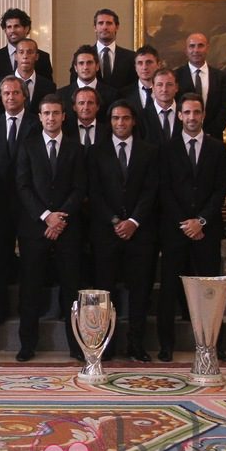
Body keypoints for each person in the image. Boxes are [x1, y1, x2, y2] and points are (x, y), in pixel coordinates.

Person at [156, 93, 226, 362]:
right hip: (175, 231)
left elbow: (220, 189)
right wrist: (185, 222)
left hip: (206, 232)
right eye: (187, 113)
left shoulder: (217, 148)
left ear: (203, 115)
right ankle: (166, 345)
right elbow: (164, 189)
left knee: (208, 291)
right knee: (168, 291)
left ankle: (210, 344)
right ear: (179, 116)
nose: (192, 117)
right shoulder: (167, 148)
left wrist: (201, 221)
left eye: (196, 112)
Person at [86, 100, 159, 361]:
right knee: (106, 291)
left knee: (139, 292)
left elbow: (151, 191)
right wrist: (116, 220)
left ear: (134, 121)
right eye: (116, 118)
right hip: (107, 233)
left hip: (140, 233)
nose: (120, 123)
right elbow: (94, 192)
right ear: (110, 121)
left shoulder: (149, 152)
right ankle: (106, 344)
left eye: (125, 118)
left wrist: (134, 221)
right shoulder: (96, 152)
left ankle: (136, 344)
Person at [15, 94, 85, 362]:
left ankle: (76, 345)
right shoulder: (28, 146)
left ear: (64, 116)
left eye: (56, 113)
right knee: (30, 288)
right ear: (40, 117)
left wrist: (60, 219)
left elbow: (80, 188)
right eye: (46, 113)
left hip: (68, 229)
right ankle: (27, 345)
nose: (51, 118)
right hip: (36, 229)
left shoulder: (75, 148)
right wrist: (46, 216)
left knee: (71, 289)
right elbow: (22, 185)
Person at [0, 77, 38, 323]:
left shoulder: (37, 124)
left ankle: (30, 311)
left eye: (15, 93)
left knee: (30, 261)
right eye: (6, 93)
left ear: (24, 96)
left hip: (29, 205)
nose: (10, 97)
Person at [0, 8, 53, 108]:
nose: (12, 31)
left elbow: (48, 91)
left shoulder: (43, 57)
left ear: (26, 28)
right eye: (9, 27)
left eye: (16, 26)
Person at [174, 32, 226, 140]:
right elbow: (174, 107)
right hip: (182, 138)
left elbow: (225, 108)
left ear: (207, 48)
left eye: (200, 45)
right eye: (192, 46)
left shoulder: (221, 77)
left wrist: (209, 133)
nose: (196, 50)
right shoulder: (175, 76)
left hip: (213, 138)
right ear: (186, 50)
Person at [0, 38, 56, 117]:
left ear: (37, 56)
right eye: (21, 52)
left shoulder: (49, 86)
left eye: (30, 52)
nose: (25, 56)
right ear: (15, 56)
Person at [71, 9, 136, 90]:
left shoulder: (131, 57)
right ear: (95, 27)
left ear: (117, 27)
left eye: (109, 23)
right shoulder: (81, 57)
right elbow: (74, 87)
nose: (104, 27)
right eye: (100, 23)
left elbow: (134, 88)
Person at [58, 45, 118, 125]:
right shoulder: (61, 95)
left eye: (89, 63)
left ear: (97, 67)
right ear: (75, 68)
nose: (85, 67)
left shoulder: (112, 95)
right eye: (81, 63)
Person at [123, 45, 161, 140]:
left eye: (149, 62)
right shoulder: (124, 94)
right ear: (135, 67)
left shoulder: (167, 92)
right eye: (140, 63)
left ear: (158, 65)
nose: (144, 67)